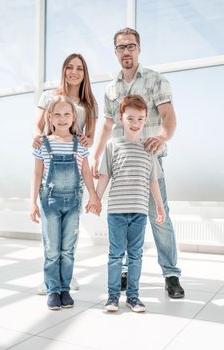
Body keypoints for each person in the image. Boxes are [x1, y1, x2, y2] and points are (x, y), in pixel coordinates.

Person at [92, 27, 184, 299]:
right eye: (121, 47)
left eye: (131, 46)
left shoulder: (156, 80)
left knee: (159, 216)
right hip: (120, 164)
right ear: (116, 52)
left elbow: (169, 117)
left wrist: (161, 137)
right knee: (122, 217)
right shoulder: (111, 89)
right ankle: (122, 271)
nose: (126, 51)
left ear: (139, 49)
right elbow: (107, 124)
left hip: (148, 161)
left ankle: (171, 274)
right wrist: (97, 155)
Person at [33, 53, 98, 292]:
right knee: (51, 236)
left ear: (84, 73)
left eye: (79, 68)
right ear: (63, 70)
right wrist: (36, 139)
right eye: (69, 67)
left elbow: (90, 137)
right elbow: (37, 126)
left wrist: (85, 140)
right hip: (50, 157)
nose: (74, 72)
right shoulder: (49, 96)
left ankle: (67, 276)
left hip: (74, 165)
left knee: (70, 232)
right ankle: (50, 280)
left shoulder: (89, 103)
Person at [94, 95, 166, 312]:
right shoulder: (112, 145)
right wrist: (96, 199)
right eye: (130, 118)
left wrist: (160, 207)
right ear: (121, 118)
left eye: (140, 119)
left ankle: (133, 297)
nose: (135, 124)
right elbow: (105, 175)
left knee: (135, 255)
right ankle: (112, 297)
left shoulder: (149, 149)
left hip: (140, 212)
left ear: (145, 120)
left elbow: (153, 180)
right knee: (116, 255)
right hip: (116, 212)